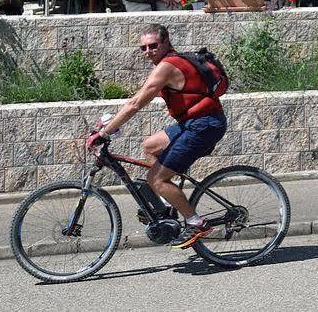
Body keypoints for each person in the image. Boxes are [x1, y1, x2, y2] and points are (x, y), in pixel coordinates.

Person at [88, 24, 229, 250]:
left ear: (166, 43)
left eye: (153, 46)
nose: (148, 52)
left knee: (157, 179)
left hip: (204, 125)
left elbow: (135, 104)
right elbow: (137, 99)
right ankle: (166, 205)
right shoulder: (169, 62)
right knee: (151, 145)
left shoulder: (168, 66)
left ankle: (196, 222)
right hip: (194, 122)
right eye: (143, 48)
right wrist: (110, 125)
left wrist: (104, 132)